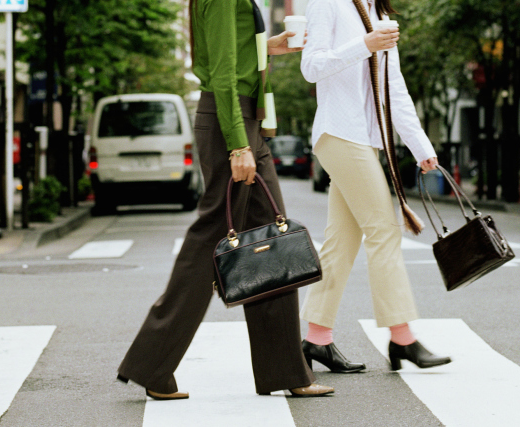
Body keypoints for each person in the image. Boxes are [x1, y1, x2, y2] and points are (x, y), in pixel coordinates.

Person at [116, 0, 333, 399]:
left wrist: (265, 46)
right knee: (209, 242)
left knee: (273, 244)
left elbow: (230, 52)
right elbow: (222, 72)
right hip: (229, 125)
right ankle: (151, 364)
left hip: (247, 123)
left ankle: (286, 371)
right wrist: (237, 145)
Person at [296, 0, 452, 373]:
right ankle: (403, 338)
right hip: (339, 133)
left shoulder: (379, 14)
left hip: (365, 140)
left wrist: (420, 146)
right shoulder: (327, 3)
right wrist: (365, 45)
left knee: (342, 241)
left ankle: (317, 339)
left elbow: (394, 89)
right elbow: (311, 67)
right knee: (384, 230)